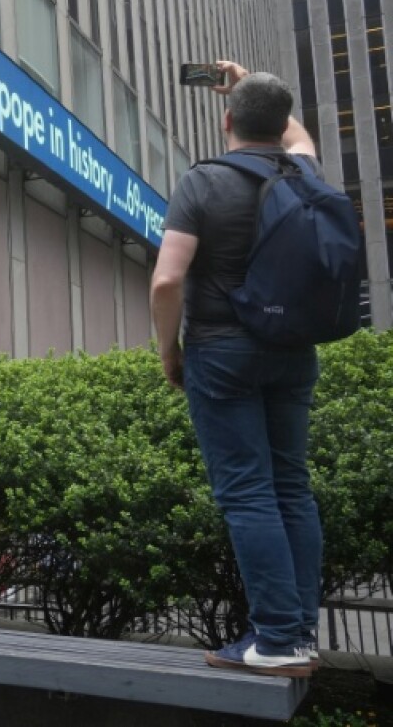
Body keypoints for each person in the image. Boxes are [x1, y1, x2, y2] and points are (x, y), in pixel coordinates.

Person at [150, 61, 320, 679]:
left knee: (248, 492)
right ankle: (297, 634)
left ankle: (276, 640)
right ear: (279, 123)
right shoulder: (302, 171)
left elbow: (168, 279)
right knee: (291, 489)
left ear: (225, 120)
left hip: (222, 351)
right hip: (294, 348)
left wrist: (169, 351)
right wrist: (252, 82)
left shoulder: (203, 183)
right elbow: (298, 137)